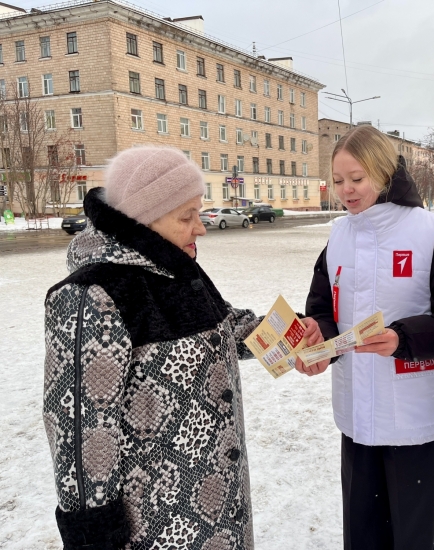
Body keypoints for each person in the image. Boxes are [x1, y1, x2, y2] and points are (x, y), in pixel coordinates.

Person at [42, 146, 323, 549]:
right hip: (156, 524)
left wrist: (291, 333)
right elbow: (80, 431)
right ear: (145, 220)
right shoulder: (94, 295)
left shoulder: (177, 269)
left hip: (218, 509)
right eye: (186, 217)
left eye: (199, 212)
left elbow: (226, 326)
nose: (201, 227)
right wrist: (95, 535)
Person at [301, 124, 434, 550]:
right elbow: (324, 309)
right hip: (356, 413)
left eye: (357, 179)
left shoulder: (428, 232)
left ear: (383, 173)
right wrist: (318, 339)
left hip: (411, 415)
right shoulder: (337, 235)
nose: (346, 190)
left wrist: (402, 338)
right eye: (339, 180)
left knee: (413, 537)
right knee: (363, 533)